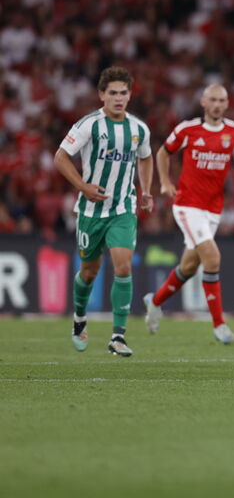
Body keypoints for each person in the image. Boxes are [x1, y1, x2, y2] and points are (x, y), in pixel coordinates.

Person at [143, 84, 234, 343]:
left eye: (222, 100)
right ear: (203, 103)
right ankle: (219, 325)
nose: (218, 105)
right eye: (213, 100)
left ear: (227, 104)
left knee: (189, 265)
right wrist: (164, 182)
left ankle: (154, 302)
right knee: (212, 257)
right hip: (187, 205)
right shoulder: (188, 129)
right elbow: (163, 152)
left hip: (213, 209)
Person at [53, 66, 153, 357]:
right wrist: (83, 186)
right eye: (113, 93)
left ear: (130, 95)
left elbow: (145, 158)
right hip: (90, 211)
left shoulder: (139, 129)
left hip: (123, 207)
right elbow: (60, 157)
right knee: (88, 272)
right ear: (102, 95)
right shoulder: (89, 125)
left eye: (123, 93)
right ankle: (79, 318)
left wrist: (145, 190)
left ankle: (117, 336)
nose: (119, 98)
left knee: (123, 266)